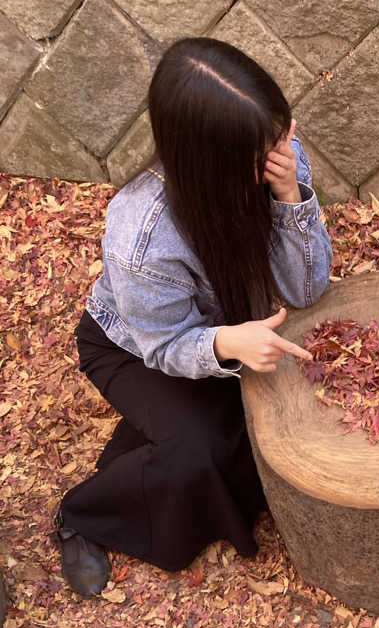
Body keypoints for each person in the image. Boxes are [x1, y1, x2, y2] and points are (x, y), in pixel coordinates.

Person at [56, 37, 332, 598]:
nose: (279, 152)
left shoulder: (272, 154)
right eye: (260, 151)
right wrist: (227, 344)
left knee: (278, 410)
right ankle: (82, 515)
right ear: (208, 158)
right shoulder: (143, 235)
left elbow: (306, 289)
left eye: (280, 135)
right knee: (199, 449)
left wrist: (288, 192)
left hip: (229, 323)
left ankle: (153, 432)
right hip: (133, 345)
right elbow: (161, 345)